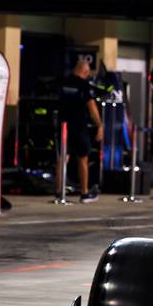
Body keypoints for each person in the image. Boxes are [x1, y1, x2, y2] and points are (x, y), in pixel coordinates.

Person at [58, 60, 102, 203]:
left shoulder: (63, 82)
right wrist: (99, 125)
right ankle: (84, 193)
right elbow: (92, 107)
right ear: (85, 72)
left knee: (63, 158)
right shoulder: (84, 85)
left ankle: (59, 192)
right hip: (79, 126)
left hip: (64, 125)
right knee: (83, 158)